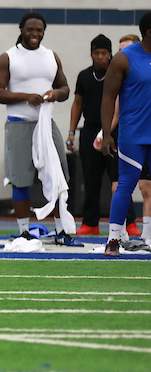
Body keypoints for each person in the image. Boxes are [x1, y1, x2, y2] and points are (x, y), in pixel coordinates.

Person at [0, 11, 78, 245]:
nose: (35, 33)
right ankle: (24, 231)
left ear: (44, 32)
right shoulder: (8, 57)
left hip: (47, 125)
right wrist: (26, 97)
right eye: (30, 29)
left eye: (39, 30)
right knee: (20, 179)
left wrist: (55, 93)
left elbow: (65, 89)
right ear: (21, 30)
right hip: (19, 124)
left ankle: (61, 231)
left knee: (58, 177)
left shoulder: (51, 56)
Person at [100, 15, 151, 257]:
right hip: (133, 134)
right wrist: (106, 133)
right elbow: (108, 97)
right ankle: (113, 240)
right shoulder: (124, 58)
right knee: (126, 184)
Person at [66, 34, 111, 234]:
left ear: (110, 54)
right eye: (96, 53)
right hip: (90, 130)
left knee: (119, 180)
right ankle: (90, 223)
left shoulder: (117, 73)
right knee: (90, 179)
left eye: (104, 53)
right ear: (91, 54)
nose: (100, 57)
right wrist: (71, 132)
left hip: (113, 131)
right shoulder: (84, 76)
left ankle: (128, 223)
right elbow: (77, 104)